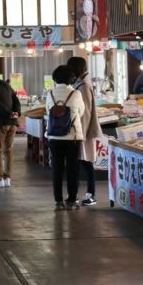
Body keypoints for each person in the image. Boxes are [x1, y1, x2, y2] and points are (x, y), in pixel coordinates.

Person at [46, 65, 85, 210]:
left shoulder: (49, 94)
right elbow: (81, 112)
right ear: (71, 78)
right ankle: (72, 199)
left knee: (57, 169)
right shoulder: (75, 94)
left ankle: (58, 201)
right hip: (72, 137)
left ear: (55, 78)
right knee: (72, 169)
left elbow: (48, 112)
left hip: (54, 137)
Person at [67, 56, 102, 206]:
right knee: (83, 162)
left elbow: (85, 112)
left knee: (86, 162)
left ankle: (91, 194)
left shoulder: (83, 86)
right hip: (81, 131)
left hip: (83, 131)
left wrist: (79, 134)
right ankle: (83, 194)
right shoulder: (81, 84)